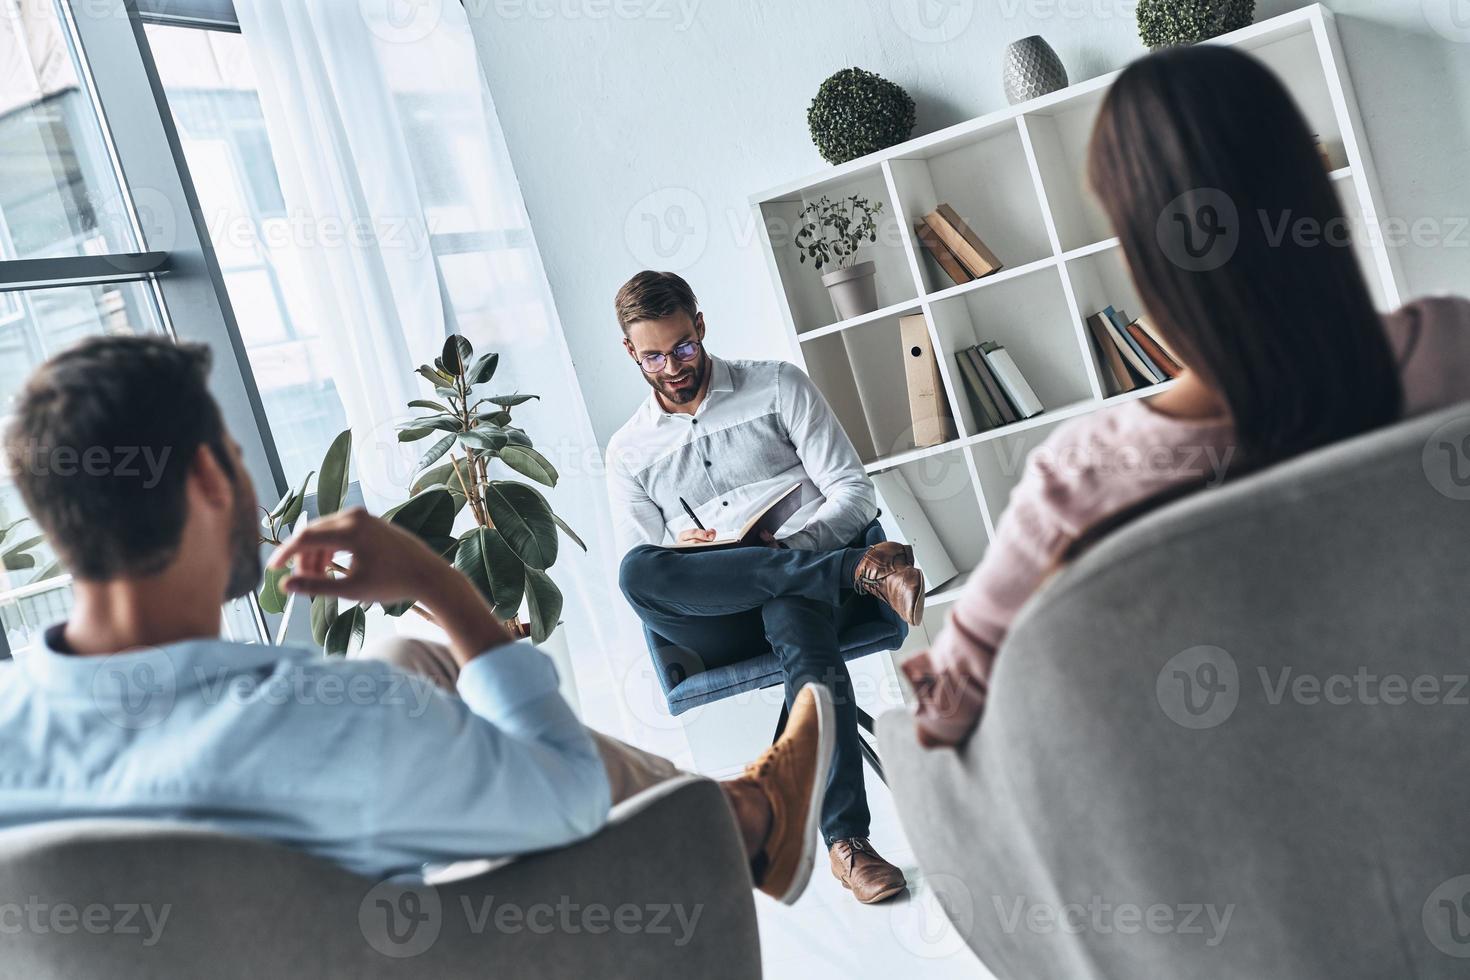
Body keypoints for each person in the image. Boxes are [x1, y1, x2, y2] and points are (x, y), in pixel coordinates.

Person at [0, 335, 840, 907]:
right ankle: (748, 820)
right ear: (208, 485)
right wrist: (443, 586)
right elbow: (570, 795)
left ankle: (743, 805)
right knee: (426, 667)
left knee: (405, 656)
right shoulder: (323, 724)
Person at [904, 45, 1470, 747]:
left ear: (1138, 254)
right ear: (1313, 197)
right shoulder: (1454, 351)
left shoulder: (1079, 486)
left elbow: (945, 715)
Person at [605, 271, 918, 904]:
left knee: (794, 611)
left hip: (798, 594)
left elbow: (854, 495)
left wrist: (788, 549)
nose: (673, 366)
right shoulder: (628, 451)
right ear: (630, 352)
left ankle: (847, 845)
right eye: (654, 356)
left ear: (702, 323)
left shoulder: (777, 386)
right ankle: (860, 569)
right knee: (637, 570)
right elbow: (649, 566)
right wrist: (683, 552)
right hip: (716, 619)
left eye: (684, 346)